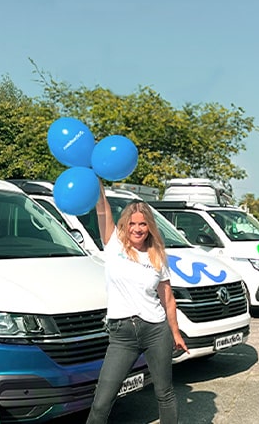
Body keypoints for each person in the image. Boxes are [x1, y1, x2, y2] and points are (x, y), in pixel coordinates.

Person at [86, 181, 188, 424]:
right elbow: (102, 207)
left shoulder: (157, 256)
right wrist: (95, 176)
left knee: (164, 393)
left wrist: (175, 332)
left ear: (150, 226)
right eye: (133, 223)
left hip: (155, 330)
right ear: (125, 225)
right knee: (102, 400)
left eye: (143, 224)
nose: (138, 229)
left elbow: (168, 299)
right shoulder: (113, 244)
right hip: (122, 335)